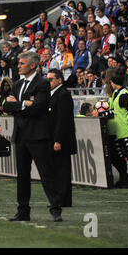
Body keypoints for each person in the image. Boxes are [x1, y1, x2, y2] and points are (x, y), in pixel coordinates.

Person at [3, 52, 62, 222]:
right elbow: (6, 106)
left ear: (32, 65)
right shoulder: (17, 83)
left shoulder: (42, 83)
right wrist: (24, 103)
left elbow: (38, 108)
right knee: (22, 175)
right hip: (20, 135)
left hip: (38, 135)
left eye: (22, 63)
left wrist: (18, 105)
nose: (18, 66)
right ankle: (23, 210)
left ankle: (55, 208)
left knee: (46, 172)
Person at [47, 69, 77, 208]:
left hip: (61, 140)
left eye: (51, 79)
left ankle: (63, 200)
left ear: (59, 80)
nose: (49, 82)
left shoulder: (63, 94)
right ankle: (57, 199)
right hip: (53, 138)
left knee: (62, 171)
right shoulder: (54, 94)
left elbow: (62, 120)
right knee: (55, 171)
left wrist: (58, 140)